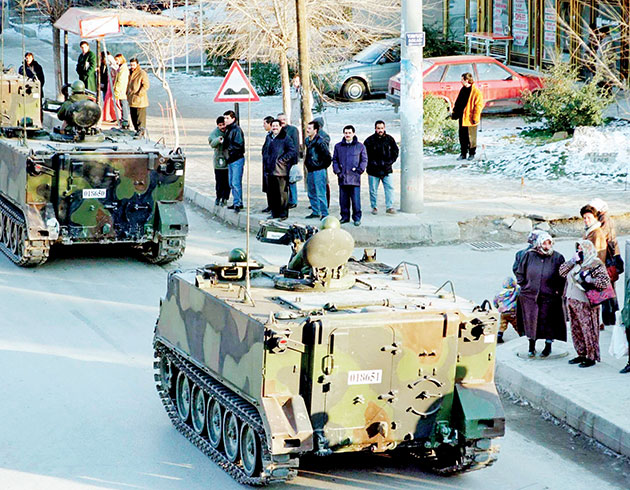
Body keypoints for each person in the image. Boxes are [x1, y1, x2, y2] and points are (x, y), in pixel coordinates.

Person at [559, 240, 611, 368]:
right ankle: (581, 353)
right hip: (572, 300)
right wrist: (572, 261)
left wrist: (590, 279)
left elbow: (604, 282)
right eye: (578, 249)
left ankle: (591, 356)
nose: (579, 251)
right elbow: (562, 272)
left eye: (582, 249)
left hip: (586, 302)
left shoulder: (595, 263)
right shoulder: (576, 262)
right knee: (576, 329)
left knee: (588, 329)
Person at [515, 232, 566, 358]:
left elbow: (562, 277)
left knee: (548, 323)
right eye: (544, 242)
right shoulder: (529, 255)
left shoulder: (558, 257)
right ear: (539, 243)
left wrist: (558, 291)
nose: (547, 246)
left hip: (549, 297)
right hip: (530, 296)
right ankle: (531, 347)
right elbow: (519, 272)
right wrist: (525, 286)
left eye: (549, 243)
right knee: (531, 322)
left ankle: (548, 347)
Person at [589, 198, 622, 326]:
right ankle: (611, 319)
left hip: (607, 259)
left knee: (607, 291)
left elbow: (601, 237)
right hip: (610, 258)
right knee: (608, 290)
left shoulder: (604, 221)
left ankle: (610, 320)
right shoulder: (605, 219)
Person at [332, 125, 367, 226]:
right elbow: (335, 160)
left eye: (349, 133)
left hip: (354, 178)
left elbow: (364, 160)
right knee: (343, 200)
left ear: (353, 133)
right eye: (346, 133)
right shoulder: (338, 146)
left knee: (356, 200)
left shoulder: (360, 146)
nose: (347, 135)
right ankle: (344, 217)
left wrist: (360, 170)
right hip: (342, 178)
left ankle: (357, 218)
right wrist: (337, 171)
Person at [262, 119, 297, 220]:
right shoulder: (269, 137)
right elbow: (265, 150)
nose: (275, 128)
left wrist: (282, 160)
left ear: (281, 127)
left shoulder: (285, 138)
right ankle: (274, 213)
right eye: (273, 126)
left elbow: (292, 151)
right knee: (272, 194)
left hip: (281, 170)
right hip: (270, 170)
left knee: (282, 194)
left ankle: (283, 214)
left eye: (277, 126)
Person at [363, 120, 399, 215]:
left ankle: (389, 207)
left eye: (382, 128)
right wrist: (370, 164)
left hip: (387, 169)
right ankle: (374, 207)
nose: (380, 130)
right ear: (375, 129)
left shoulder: (390, 139)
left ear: (384, 128)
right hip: (373, 170)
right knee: (373, 190)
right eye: (378, 128)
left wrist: (389, 162)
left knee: (390, 188)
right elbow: (364, 155)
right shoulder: (369, 141)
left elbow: (395, 152)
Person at [451, 72, 483, 161]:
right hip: (462, 117)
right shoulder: (463, 90)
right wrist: (455, 113)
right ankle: (463, 153)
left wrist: (476, 118)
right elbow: (458, 103)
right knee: (462, 136)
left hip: (470, 119)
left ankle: (472, 153)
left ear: (466, 80)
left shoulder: (476, 92)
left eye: (462, 79)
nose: (461, 81)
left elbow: (478, 106)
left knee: (471, 138)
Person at [304, 120, 331, 219]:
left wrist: (320, 166)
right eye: (307, 128)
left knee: (320, 193)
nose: (307, 130)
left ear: (315, 130)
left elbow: (328, 157)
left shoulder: (320, 141)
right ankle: (315, 211)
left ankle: (324, 213)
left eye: (310, 128)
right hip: (310, 169)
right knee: (311, 191)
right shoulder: (308, 140)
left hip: (319, 170)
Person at [223, 110, 245, 212]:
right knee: (231, 182)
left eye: (227, 118)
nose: (225, 120)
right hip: (231, 159)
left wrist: (229, 150)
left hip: (236, 159)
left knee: (235, 182)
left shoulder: (236, 130)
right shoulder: (229, 129)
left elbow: (239, 145)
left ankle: (238, 203)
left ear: (233, 119)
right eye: (225, 118)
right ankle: (236, 201)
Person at [277, 113, 300, 209]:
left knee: (292, 181)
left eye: (284, 119)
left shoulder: (293, 130)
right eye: (280, 119)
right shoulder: (277, 130)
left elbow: (295, 145)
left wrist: (294, 160)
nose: (282, 121)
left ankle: (293, 200)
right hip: (280, 162)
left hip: (290, 160)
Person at [209, 116, 230, 206]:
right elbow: (212, 143)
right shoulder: (214, 133)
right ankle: (218, 197)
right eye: (220, 125)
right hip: (219, 160)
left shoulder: (229, 131)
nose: (222, 127)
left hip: (228, 159)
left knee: (227, 181)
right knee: (219, 180)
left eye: (223, 125)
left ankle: (225, 197)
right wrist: (218, 140)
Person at [127, 58, 150, 136]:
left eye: (133, 65)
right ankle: (136, 130)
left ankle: (141, 131)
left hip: (139, 99)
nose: (132, 66)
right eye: (131, 65)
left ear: (137, 64)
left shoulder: (141, 73)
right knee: (133, 116)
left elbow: (146, 85)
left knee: (140, 117)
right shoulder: (129, 72)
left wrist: (140, 93)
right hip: (131, 98)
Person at [493, 277, 520, 344]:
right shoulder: (514, 292)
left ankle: (499, 335)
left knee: (503, 325)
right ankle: (522, 336)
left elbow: (495, 302)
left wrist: (498, 307)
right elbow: (518, 289)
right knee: (516, 325)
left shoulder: (499, 294)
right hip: (512, 312)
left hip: (503, 313)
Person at [261, 115, 274, 213]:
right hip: (266, 164)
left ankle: (273, 206)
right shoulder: (268, 136)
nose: (263, 126)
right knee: (267, 187)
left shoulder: (274, 137)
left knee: (272, 187)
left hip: (272, 165)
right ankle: (269, 205)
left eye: (265, 123)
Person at [113, 54, 130, 129]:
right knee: (121, 104)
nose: (116, 62)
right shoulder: (121, 68)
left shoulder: (123, 69)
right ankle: (124, 119)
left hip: (121, 90)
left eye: (117, 60)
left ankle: (125, 119)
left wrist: (117, 90)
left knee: (123, 104)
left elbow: (121, 80)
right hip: (120, 90)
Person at [99, 51, 117, 122]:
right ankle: (108, 115)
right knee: (105, 100)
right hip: (104, 85)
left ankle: (113, 116)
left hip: (109, 85)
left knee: (111, 101)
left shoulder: (111, 67)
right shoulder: (102, 65)